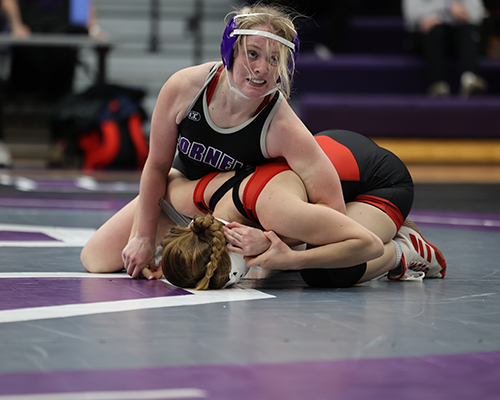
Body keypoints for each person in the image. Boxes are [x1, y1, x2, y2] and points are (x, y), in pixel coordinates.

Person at [118, 4, 347, 280]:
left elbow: (334, 210)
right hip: (179, 197)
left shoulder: (283, 126)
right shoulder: (185, 88)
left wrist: (268, 239)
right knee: (97, 258)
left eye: (274, 59)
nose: (261, 69)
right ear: (230, 51)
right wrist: (143, 236)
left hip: (230, 214)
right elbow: (156, 165)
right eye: (253, 54)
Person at [81, 129, 447, 290]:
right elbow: (95, 257)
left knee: (328, 272)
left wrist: (289, 259)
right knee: (101, 257)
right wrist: (144, 237)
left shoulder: (278, 210)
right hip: (322, 161)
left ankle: (406, 249)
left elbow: (365, 244)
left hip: (377, 182)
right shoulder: (192, 196)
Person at [1, 0, 103, 101]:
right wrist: (16, 25)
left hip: (62, 37)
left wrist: (93, 28)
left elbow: (84, 3)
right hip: (29, 35)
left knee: (60, 93)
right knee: (27, 91)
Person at [402, 0, 488, 97]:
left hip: (458, 32)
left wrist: (457, 15)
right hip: (429, 34)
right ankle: (439, 85)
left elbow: (477, 12)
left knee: (469, 29)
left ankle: (469, 80)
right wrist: (446, 8)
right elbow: (411, 14)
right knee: (435, 30)